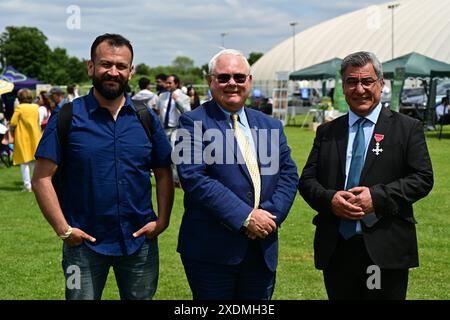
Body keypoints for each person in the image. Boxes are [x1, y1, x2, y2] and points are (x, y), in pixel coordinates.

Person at [31, 33, 174, 300]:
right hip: (82, 244)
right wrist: (64, 229)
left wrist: (162, 221)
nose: (113, 72)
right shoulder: (67, 116)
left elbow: (164, 173)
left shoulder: (146, 118)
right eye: (106, 64)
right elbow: (41, 178)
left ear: (130, 72)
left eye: (121, 66)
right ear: (90, 67)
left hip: (139, 242)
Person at [298, 51, 434, 300]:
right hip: (337, 249)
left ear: (381, 84)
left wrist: (377, 198)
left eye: (367, 81)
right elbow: (307, 181)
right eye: (351, 82)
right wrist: (330, 200)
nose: (359, 89)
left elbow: (422, 178)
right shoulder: (327, 132)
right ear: (343, 86)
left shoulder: (406, 128)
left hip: (384, 248)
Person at [175, 49, 298, 300]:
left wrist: (268, 218)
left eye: (239, 77)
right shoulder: (191, 122)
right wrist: (246, 217)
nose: (232, 83)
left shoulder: (270, 124)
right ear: (210, 81)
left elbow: (288, 173)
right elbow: (193, 178)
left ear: (249, 81)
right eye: (223, 77)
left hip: (262, 246)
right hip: (211, 252)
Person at [9, 89, 42, 192]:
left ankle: (27, 186)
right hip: (35, 136)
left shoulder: (19, 108)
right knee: (34, 162)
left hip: (23, 137)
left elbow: (13, 122)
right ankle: (36, 184)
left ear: (19, 98)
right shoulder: (35, 107)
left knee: (24, 163)